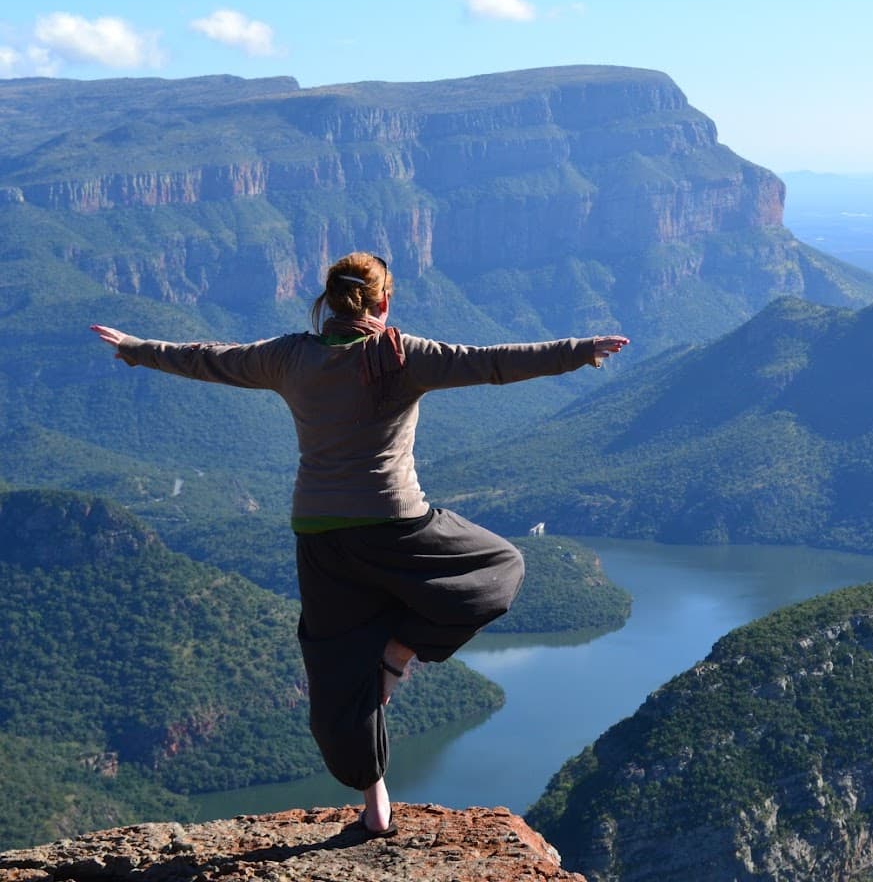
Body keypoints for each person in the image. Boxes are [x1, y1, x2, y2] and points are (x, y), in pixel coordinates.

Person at [91, 251, 628, 838]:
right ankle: (397, 653)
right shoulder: (400, 355)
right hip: (397, 527)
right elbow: (491, 364)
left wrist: (137, 348)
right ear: (384, 302)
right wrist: (579, 350)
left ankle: (376, 807)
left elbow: (211, 360)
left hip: (320, 535)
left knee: (337, 665)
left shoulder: (287, 355)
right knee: (502, 566)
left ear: (325, 301)